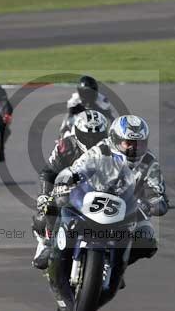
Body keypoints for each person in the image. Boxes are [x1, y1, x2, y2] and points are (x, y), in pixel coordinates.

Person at [67, 115, 167, 268]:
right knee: (64, 214)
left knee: (147, 240)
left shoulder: (149, 161)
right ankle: (53, 251)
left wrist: (155, 201)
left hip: (128, 209)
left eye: (139, 144)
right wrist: (70, 179)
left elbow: (156, 189)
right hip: (92, 200)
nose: (134, 148)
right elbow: (78, 168)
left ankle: (117, 266)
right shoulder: (101, 150)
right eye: (129, 143)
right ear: (115, 139)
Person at [31, 110, 110, 269]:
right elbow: (48, 172)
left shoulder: (111, 149)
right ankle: (47, 243)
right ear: (78, 133)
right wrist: (45, 195)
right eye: (88, 136)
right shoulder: (65, 145)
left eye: (97, 136)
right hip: (68, 189)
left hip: (102, 192)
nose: (92, 140)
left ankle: (112, 261)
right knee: (46, 211)